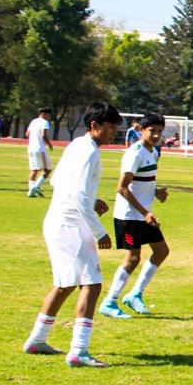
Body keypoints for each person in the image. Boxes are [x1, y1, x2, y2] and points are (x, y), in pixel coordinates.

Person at [21, 102, 123, 367]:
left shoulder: (76, 145)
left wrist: (92, 198)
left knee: (65, 284)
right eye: (110, 127)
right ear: (95, 126)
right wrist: (99, 231)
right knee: (92, 283)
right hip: (70, 226)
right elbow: (77, 195)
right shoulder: (88, 152)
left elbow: (57, 182)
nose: (114, 132)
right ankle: (79, 350)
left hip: (58, 221)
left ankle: (36, 340)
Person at [100, 113, 170, 319]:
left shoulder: (153, 151)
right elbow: (121, 188)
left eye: (159, 131)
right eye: (152, 131)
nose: (156, 135)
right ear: (141, 130)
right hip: (129, 216)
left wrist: (155, 192)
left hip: (143, 215)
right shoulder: (135, 153)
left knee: (161, 251)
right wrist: (145, 212)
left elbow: (142, 181)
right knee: (132, 258)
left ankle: (135, 294)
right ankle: (109, 302)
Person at [25, 107, 54, 197]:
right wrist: (49, 144)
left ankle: (31, 191)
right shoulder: (45, 122)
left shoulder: (34, 121)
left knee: (34, 170)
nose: (49, 117)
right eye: (49, 115)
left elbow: (27, 134)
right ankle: (37, 186)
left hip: (31, 148)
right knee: (48, 169)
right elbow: (44, 135)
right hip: (40, 149)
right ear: (45, 114)